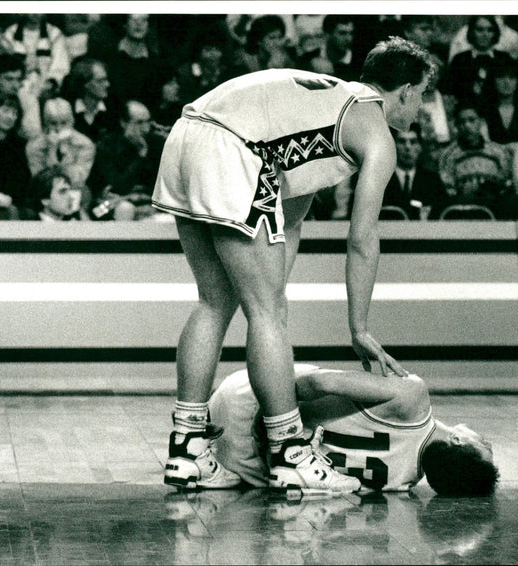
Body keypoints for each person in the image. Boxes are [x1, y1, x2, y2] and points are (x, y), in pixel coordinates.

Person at [151, 37, 434, 493]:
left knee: (215, 301)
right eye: (421, 95)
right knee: (268, 313)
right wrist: (358, 329)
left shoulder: (322, 103)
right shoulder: (375, 131)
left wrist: (269, 290)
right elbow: (362, 238)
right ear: (404, 90)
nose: (420, 108)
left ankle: (188, 450)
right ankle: (290, 451)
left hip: (187, 135)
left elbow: (291, 211)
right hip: (234, 148)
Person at [208, 363, 500, 496]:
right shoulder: (400, 484)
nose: (485, 439)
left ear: (458, 440)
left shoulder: (412, 399)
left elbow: (318, 384)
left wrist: (271, 418)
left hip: (244, 398)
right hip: (240, 467)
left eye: (485, 445)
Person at [437, 100, 518, 219]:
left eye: (471, 120)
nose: (467, 126)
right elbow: (448, 189)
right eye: (461, 122)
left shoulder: (498, 152)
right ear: (456, 125)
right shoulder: (448, 155)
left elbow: (507, 183)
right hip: (461, 212)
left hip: (495, 211)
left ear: (481, 121)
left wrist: (488, 190)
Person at [87, 99, 165, 220]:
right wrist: (141, 155)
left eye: (148, 122)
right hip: (107, 203)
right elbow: (118, 186)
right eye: (139, 123)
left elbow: (159, 187)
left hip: (145, 202)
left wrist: (136, 198)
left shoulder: (157, 144)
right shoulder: (106, 146)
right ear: (124, 123)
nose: (145, 128)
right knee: (112, 210)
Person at [25, 97, 96, 210]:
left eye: (64, 123)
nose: (58, 128)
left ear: (72, 121)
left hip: (73, 191)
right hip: (44, 197)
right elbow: (40, 183)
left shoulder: (85, 144)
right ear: (46, 123)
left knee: (83, 192)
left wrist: (63, 162)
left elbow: (78, 180)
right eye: (53, 123)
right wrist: (52, 151)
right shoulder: (34, 146)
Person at [383, 124, 447, 220]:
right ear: (393, 146)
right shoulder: (381, 180)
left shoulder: (432, 181)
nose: (407, 147)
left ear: (420, 147)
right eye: (402, 142)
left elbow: (442, 212)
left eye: (413, 142)